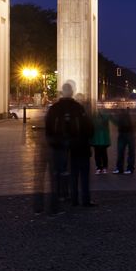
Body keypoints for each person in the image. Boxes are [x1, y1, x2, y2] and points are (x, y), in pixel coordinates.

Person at [44, 83, 93, 211]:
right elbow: (87, 126)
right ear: (72, 92)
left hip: (59, 147)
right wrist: (87, 140)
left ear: (62, 92)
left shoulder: (54, 108)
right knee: (82, 174)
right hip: (79, 146)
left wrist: (52, 142)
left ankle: (67, 198)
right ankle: (85, 199)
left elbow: (48, 127)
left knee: (63, 173)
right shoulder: (78, 107)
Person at [112, 106, 136, 174]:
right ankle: (128, 168)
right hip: (127, 134)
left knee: (123, 152)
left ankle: (124, 168)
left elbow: (117, 123)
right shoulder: (129, 114)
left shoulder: (124, 115)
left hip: (127, 134)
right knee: (128, 152)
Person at [91, 109, 111, 174]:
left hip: (97, 140)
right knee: (103, 154)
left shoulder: (93, 119)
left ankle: (99, 167)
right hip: (102, 140)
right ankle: (103, 167)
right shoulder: (103, 119)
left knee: (98, 154)